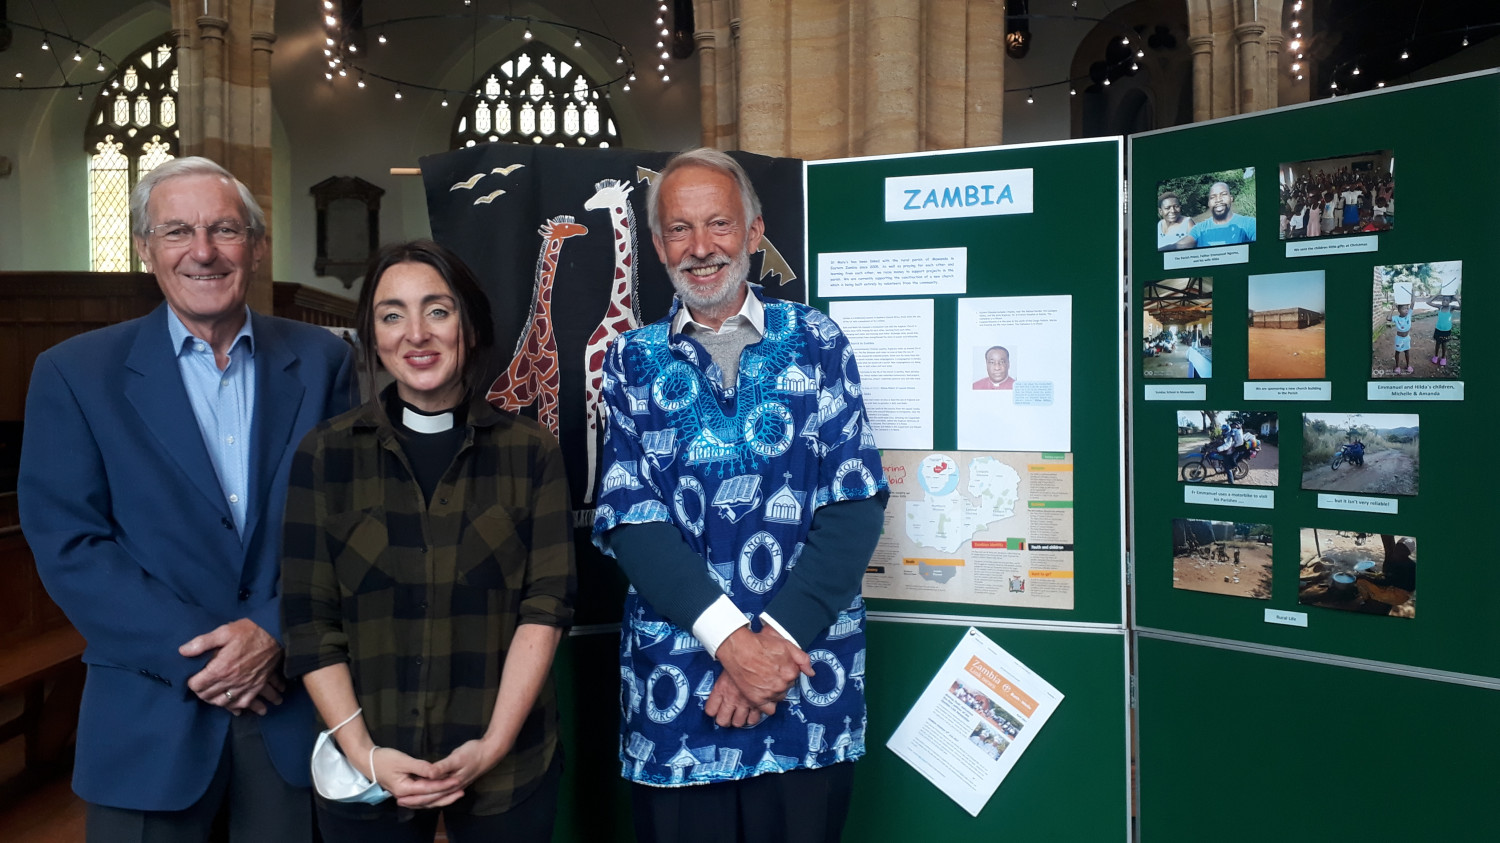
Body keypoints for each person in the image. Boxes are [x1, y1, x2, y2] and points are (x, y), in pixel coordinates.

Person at [18, 156, 355, 842]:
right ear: (146, 249)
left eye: (224, 229)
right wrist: (207, 657)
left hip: (290, 714)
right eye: (177, 232)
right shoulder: (74, 374)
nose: (202, 251)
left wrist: (272, 630)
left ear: (255, 248)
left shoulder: (324, 361)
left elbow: (351, 522)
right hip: (148, 718)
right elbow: (70, 543)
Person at [591, 148, 888, 843]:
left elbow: (854, 502)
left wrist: (771, 647)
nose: (701, 248)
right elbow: (632, 519)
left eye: (719, 223)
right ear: (658, 244)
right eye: (679, 229)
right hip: (679, 698)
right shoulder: (631, 361)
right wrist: (731, 642)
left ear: (754, 232)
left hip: (804, 686)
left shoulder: (817, 341)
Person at [280, 240, 576, 842]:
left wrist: (492, 745)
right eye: (392, 315)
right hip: (366, 758)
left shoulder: (531, 452)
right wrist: (366, 756)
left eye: (437, 311)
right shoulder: (325, 455)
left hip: (509, 763)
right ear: (372, 335)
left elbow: (545, 608)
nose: (416, 334)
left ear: (468, 324)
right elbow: (310, 622)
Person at [1187, 181, 1257, 247]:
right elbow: (1182, 245)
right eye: (1213, 197)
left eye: (1223, 194)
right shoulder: (1198, 229)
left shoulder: (1250, 223)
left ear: (1231, 198)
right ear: (1208, 203)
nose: (1218, 200)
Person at [1427, 294, 1459, 367]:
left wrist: (1457, 298)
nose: (1444, 301)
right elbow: (1428, 302)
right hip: (1438, 329)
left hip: (1446, 330)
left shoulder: (1451, 308)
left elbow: (1461, 307)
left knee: (1444, 344)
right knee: (1437, 344)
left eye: (1447, 300)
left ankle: (1443, 358)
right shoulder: (1440, 307)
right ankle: (1436, 356)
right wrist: (1437, 295)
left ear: (1450, 301)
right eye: (1443, 300)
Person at [1390, 302, 1413, 374]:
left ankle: (1408, 365)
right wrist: (1392, 309)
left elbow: (1412, 304)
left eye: (1407, 308)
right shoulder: (1396, 318)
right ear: (1399, 310)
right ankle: (1397, 366)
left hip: (1406, 338)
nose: (1406, 310)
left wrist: (1413, 294)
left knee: (1407, 351)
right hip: (1399, 339)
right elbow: (1388, 318)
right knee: (1397, 352)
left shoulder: (1409, 315)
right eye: (1403, 309)